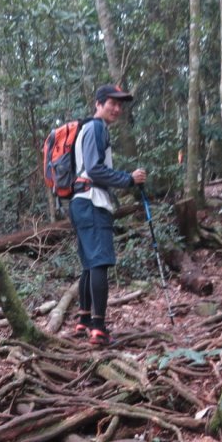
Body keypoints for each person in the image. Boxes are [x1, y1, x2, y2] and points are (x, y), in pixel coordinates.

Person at [69, 84, 147, 346]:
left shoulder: (86, 129)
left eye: (120, 105)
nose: (117, 108)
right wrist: (128, 179)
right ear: (98, 104)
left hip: (81, 201)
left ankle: (84, 320)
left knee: (90, 264)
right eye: (112, 103)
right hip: (92, 202)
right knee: (100, 261)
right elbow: (94, 169)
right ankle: (99, 328)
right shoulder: (97, 127)